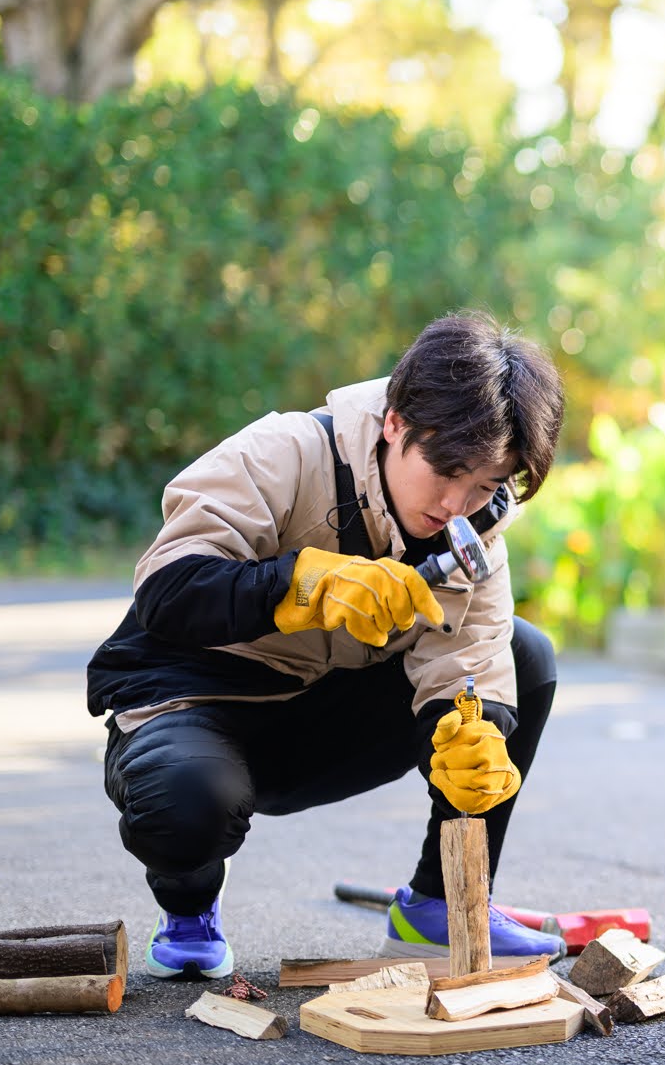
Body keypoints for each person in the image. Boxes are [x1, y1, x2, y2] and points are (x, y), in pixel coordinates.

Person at [87, 311, 569, 979]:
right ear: (396, 422)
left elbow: (470, 658)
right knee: (185, 808)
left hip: (319, 722)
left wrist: (475, 727)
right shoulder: (284, 452)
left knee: (521, 659)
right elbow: (168, 593)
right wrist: (301, 583)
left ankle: (441, 906)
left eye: (486, 484)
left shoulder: (476, 530)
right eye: (446, 469)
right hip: (198, 702)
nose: (458, 504)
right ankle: (189, 900)